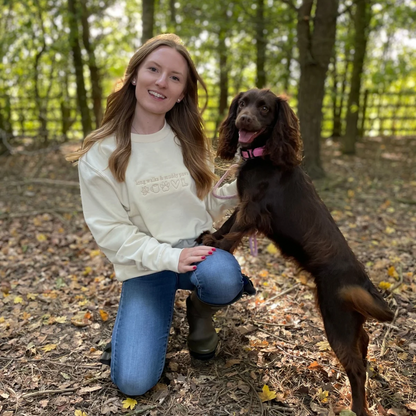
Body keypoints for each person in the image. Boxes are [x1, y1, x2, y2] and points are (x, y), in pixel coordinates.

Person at [66, 33, 254, 396]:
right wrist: (170, 257)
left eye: (174, 77)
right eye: (153, 69)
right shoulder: (100, 154)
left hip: (195, 250)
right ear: (135, 75)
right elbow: (112, 234)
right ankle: (139, 324)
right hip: (147, 265)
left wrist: (243, 188)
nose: (161, 82)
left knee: (223, 277)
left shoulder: (187, 139)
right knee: (134, 382)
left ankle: (200, 314)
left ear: (182, 92)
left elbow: (206, 203)